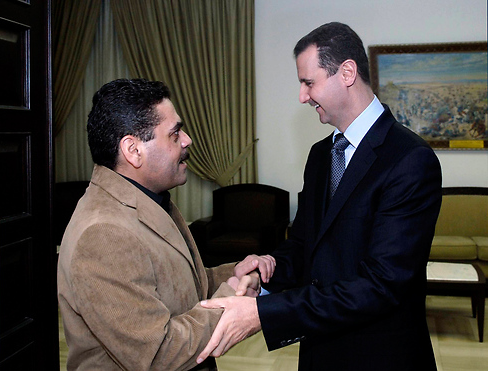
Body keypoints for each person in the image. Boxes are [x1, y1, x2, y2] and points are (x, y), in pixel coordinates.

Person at [196, 22, 442, 371]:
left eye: (308, 83)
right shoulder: (320, 155)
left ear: (346, 72)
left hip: (379, 357)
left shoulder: (409, 159)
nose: (302, 96)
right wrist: (266, 275)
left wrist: (264, 315)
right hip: (320, 352)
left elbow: (381, 285)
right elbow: (304, 245)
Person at [57, 78, 275, 371]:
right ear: (133, 150)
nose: (187, 140)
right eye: (174, 134)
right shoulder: (103, 234)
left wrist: (232, 273)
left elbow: (180, 287)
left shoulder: (150, 198)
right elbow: (158, 354)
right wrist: (231, 304)